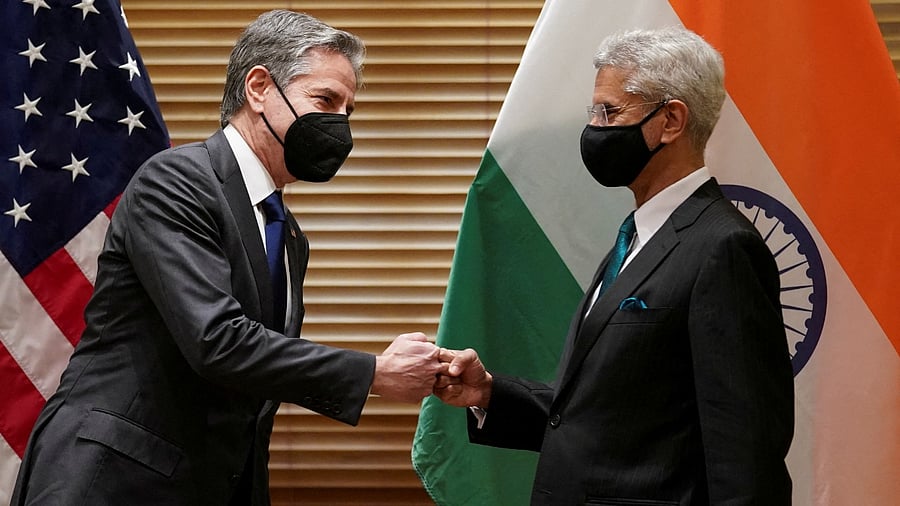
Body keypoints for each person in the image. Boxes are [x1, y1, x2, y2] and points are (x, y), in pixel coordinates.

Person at [12, 10, 443, 506]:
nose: (340, 124)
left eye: (349, 111)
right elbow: (217, 340)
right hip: (111, 483)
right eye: (326, 100)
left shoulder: (288, 235)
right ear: (259, 88)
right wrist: (374, 373)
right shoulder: (177, 181)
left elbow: (254, 387)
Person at [434, 26, 794, 505]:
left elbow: (746, 451)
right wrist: (488, 393)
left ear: (670, 121)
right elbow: (603, 413)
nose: (595, 129)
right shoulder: (638, 236)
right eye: (594, 113)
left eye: (609, 112)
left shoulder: (723, 247)